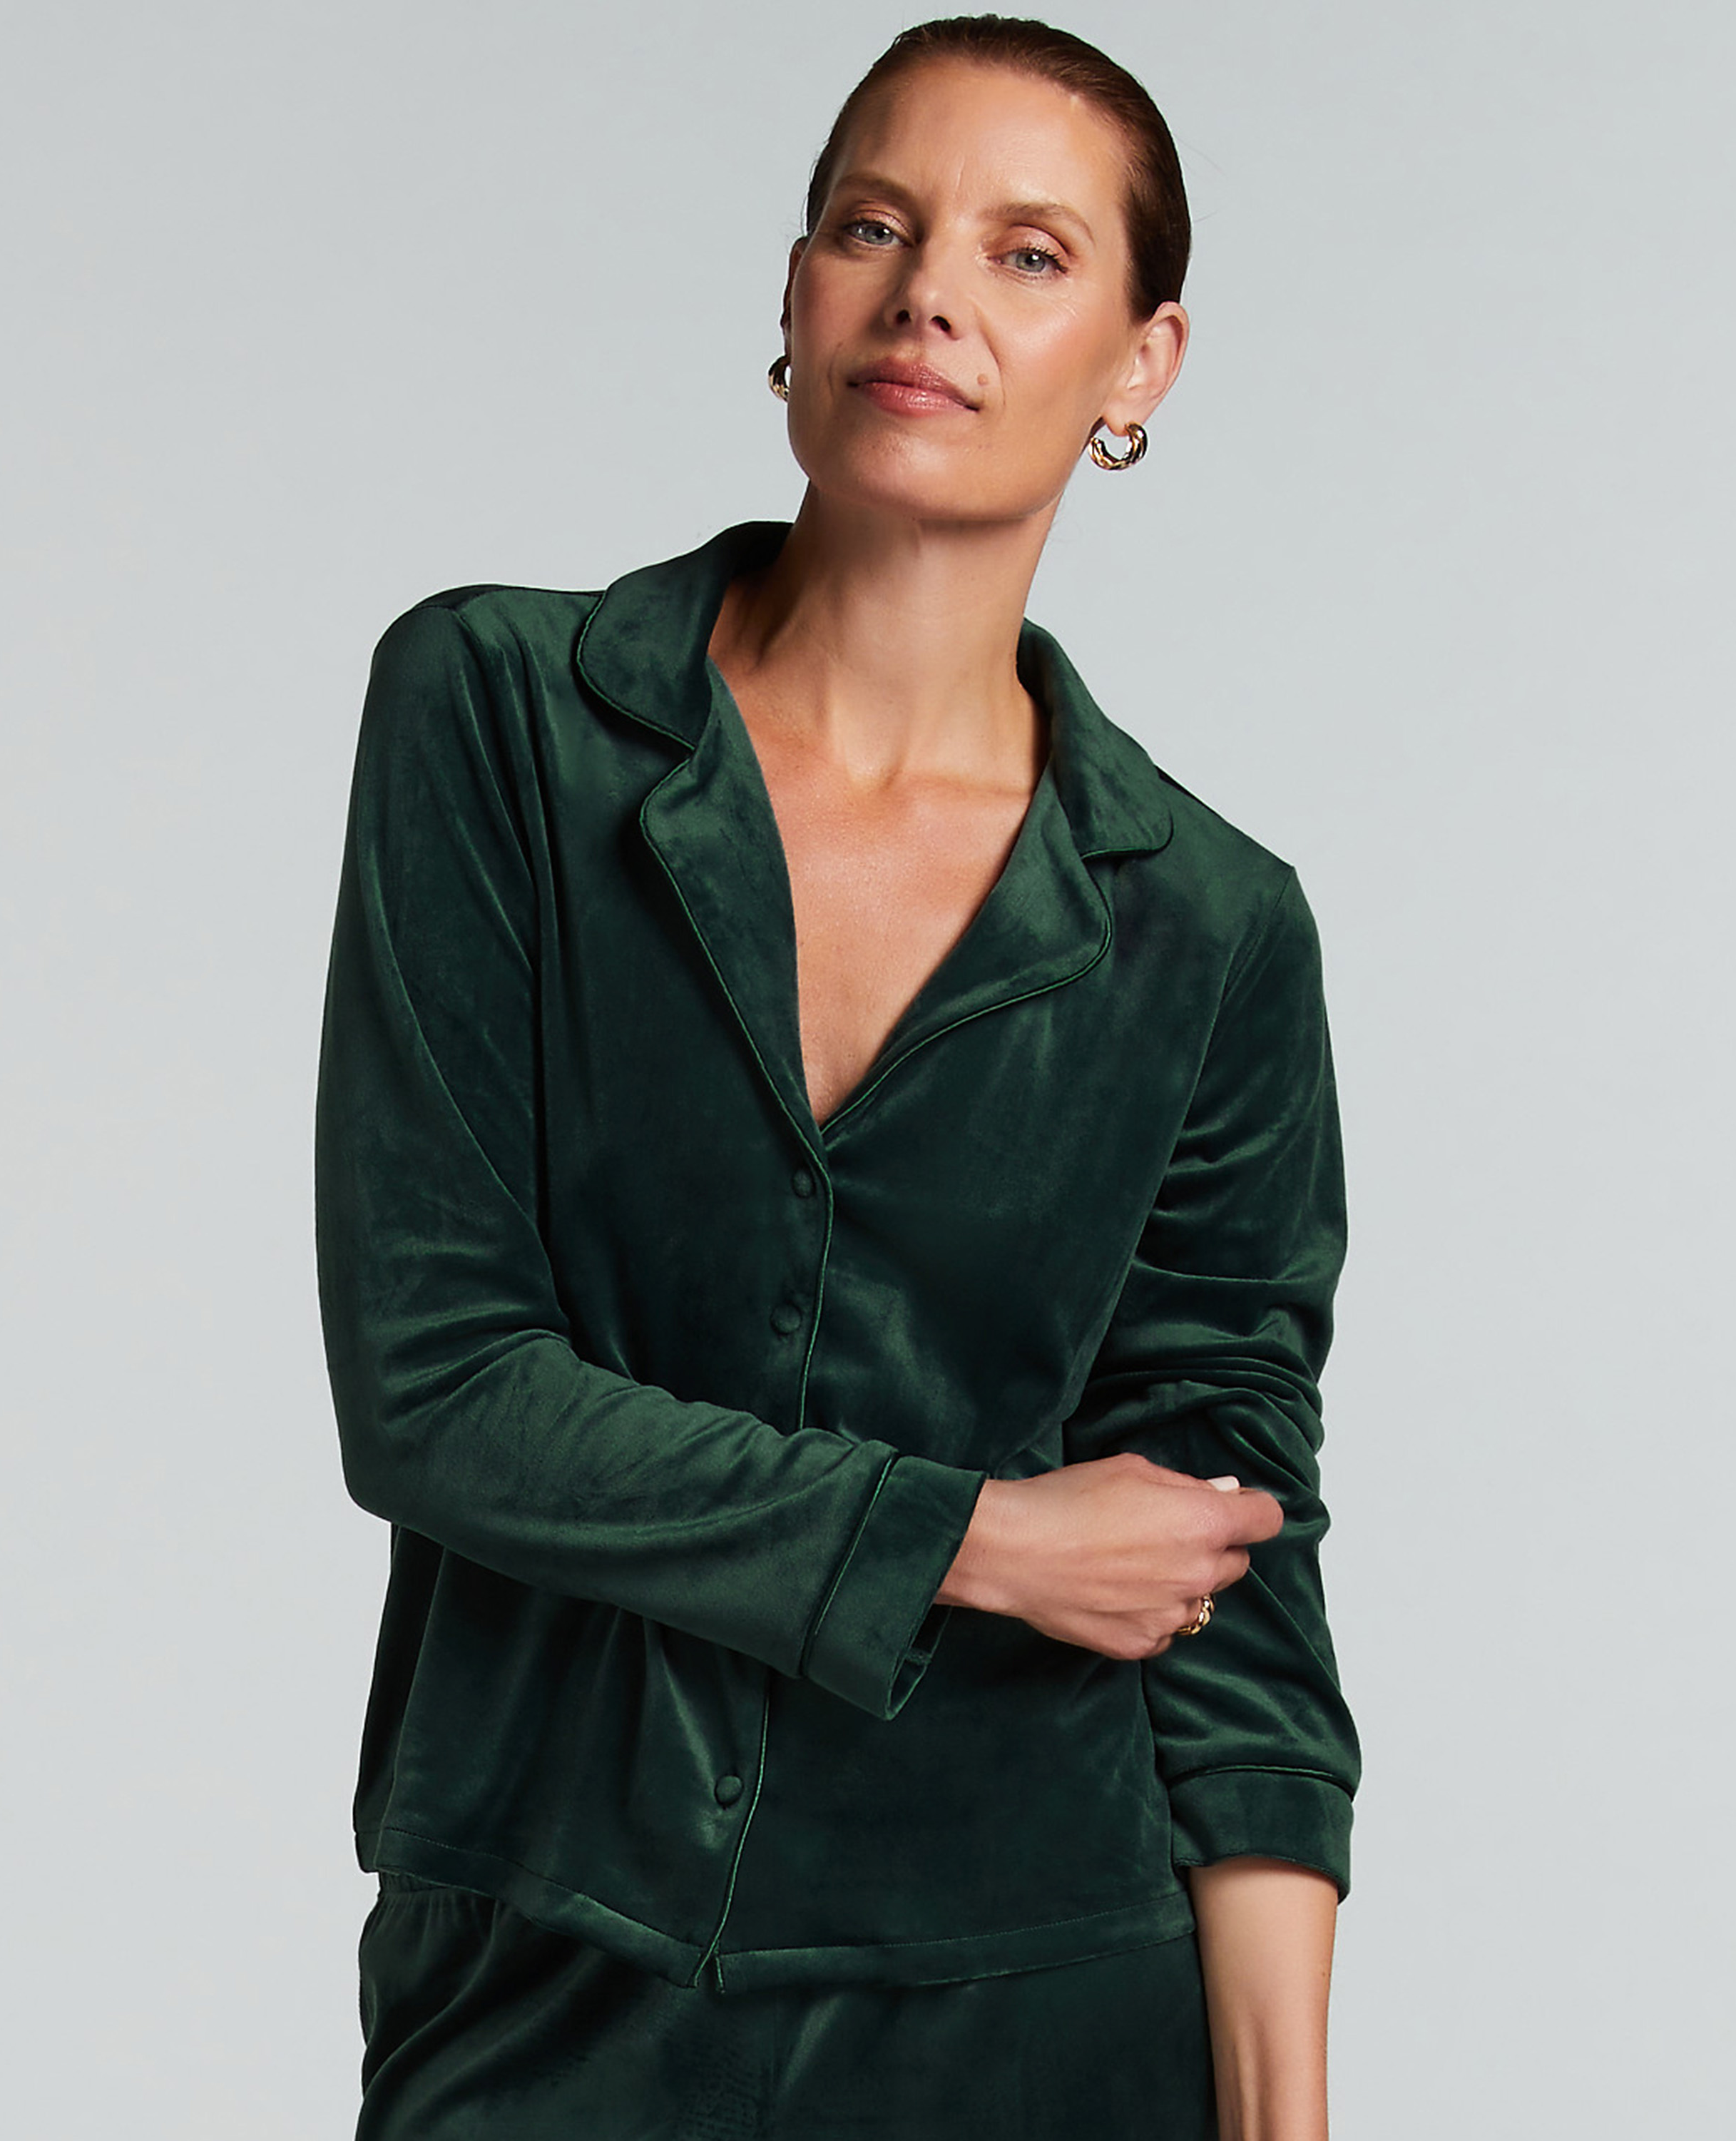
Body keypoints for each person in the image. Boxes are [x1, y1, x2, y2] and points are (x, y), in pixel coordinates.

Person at [314, 15, 1362, 2138]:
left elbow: (1228, 1577)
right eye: (874, 226)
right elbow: (437, 1387)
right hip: (552, 1964)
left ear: (1142, 364)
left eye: (1027, 253)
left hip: (1048, 2001)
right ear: (794, 295)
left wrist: (1284, 2113)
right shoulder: (501, 718)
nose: (930, 294)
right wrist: (970, 1537)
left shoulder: (1213, 927)